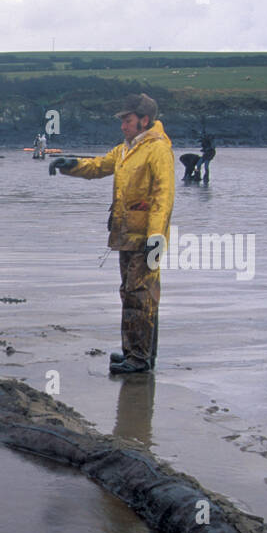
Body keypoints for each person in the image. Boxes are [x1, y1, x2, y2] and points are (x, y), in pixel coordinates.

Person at [49, 93, 174, 375]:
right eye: (122, 121)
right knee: (131, 294)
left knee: (140, 295)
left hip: (146, 239)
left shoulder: (158, 150)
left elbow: (162, 196)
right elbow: (98, 166)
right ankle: (135, 353)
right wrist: (70, 165)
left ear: (144, 120)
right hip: (126, 235)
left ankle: (139, 359)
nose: (123, 126)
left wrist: (156, 236)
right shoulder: (125, 150)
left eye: (127, 120)